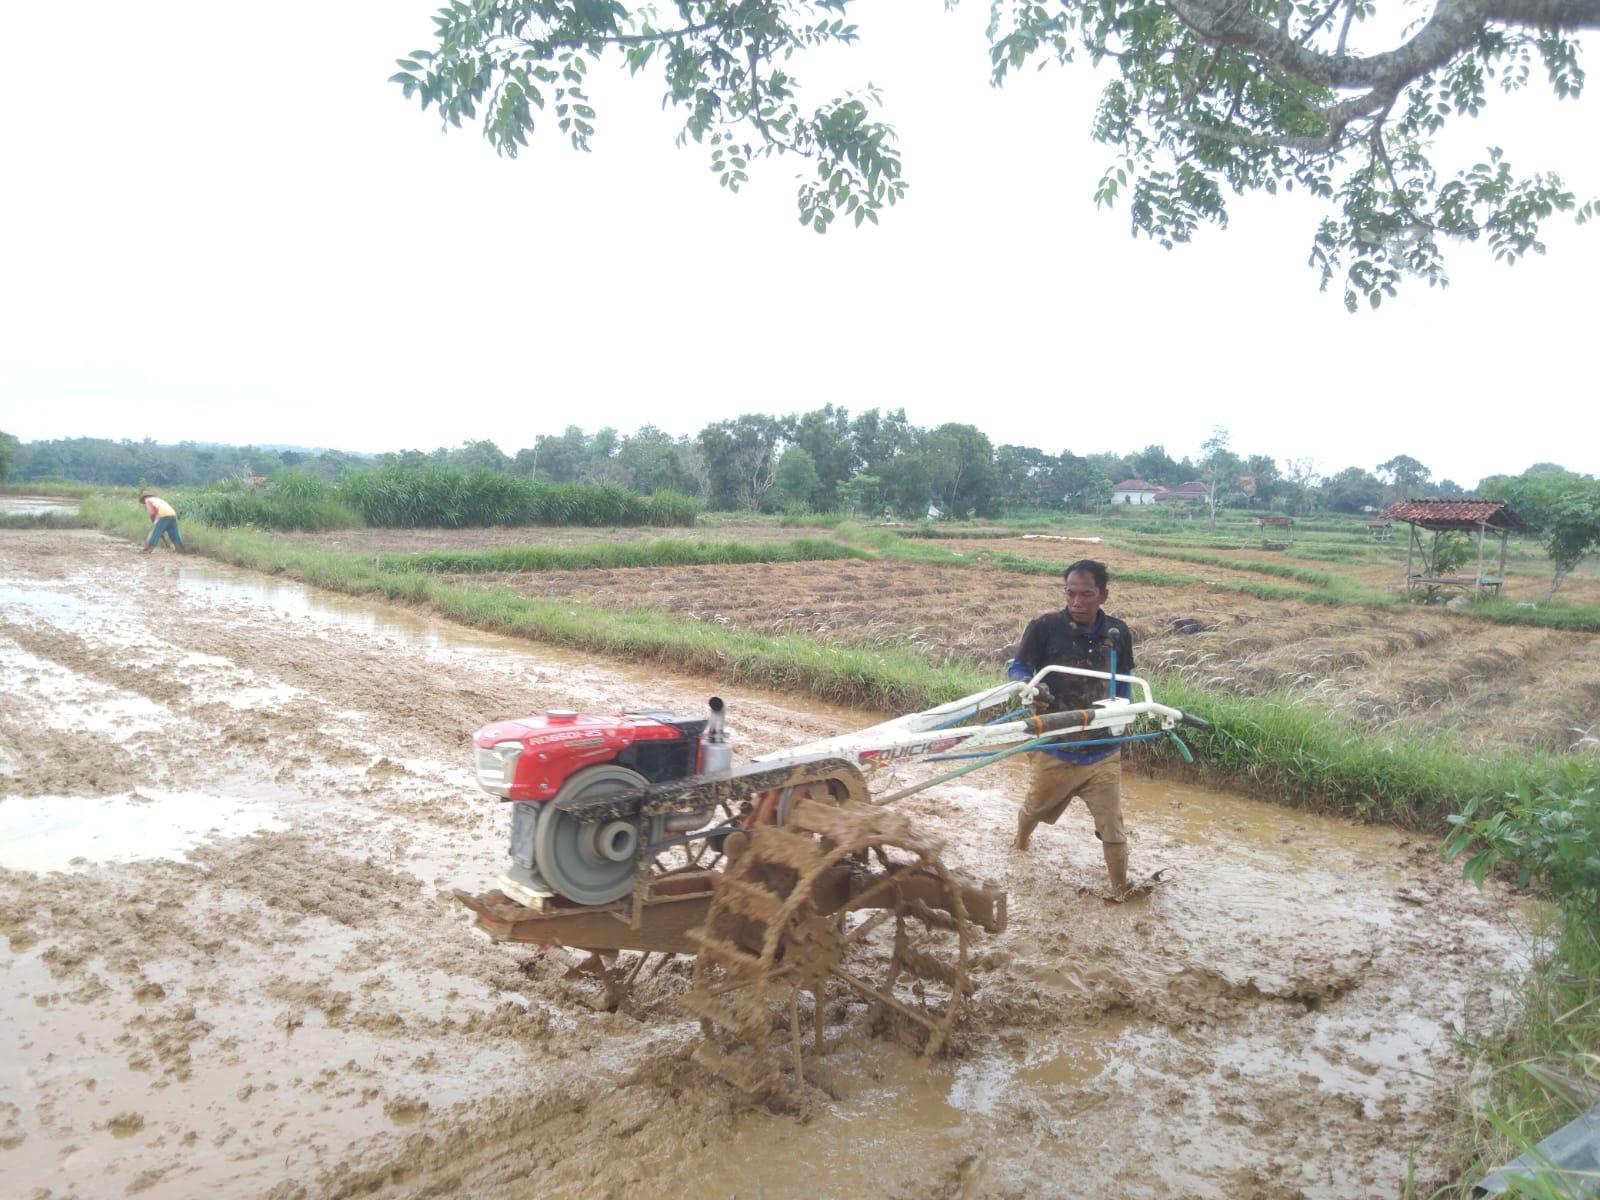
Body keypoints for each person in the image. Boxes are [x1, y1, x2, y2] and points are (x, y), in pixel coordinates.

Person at [1006, 559, 1135, 894]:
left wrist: (1127, 711)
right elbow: (1019, 666)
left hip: (1102, 749)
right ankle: (1019, 844)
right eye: (1071, 594)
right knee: (1035, 808)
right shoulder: (1045, 626)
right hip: (1055, 743)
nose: (1077, 602)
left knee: (1113, 827)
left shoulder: (1118, 634)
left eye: (1086, 595)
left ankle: (1121, 892)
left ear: (1103, 595)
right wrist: (1030, 685)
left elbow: (1125, 680)